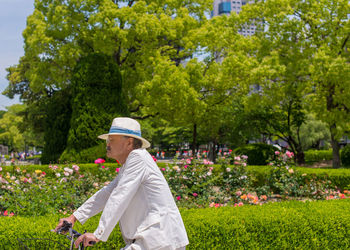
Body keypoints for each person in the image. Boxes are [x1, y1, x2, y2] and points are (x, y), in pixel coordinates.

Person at [54, 117, 189, 249]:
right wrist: (74, 217)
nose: (107, 144)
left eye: (111, 140)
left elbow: (120, 195)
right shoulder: (129, 165)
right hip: (152, 241)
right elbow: (107, 193)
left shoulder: (138, 157)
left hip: (160, 240)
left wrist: (97, 235)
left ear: (129, 142)